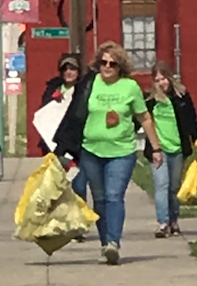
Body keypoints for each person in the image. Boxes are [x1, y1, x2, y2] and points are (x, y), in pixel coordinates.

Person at [52, 41, 162, 265]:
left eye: (112, 63)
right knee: (99, 199)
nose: (107, 66)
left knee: (114, 196)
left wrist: (156, 148)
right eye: (103, 62)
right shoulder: (90, 84)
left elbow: (144, 118)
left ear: (120, 66)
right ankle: (105, 243)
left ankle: (114, 243)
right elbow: (75, 114)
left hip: (122, 151)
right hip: (91, 150)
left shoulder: (130, 87)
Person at [143, 61, 197, 238]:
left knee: (174, 187)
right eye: (157, 80)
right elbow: (141, 120)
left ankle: (174, 220)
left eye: (164, 79)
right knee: (161, 185)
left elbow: (191, 120)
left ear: (170, 78)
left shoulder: (182, 96)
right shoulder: (150, 100)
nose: (162, 83)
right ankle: (163, 223)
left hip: (178, 148)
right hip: (158, 150)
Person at [37, 53, 88, 242]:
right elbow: (44, 116)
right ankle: (59, 225)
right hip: (56, 148)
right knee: (58, 188)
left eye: (73, 68)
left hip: (78, 147)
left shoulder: (85, 90)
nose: (69, 72)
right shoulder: (52, 90)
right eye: (65, 69)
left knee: (78, 186)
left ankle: (77, 227)